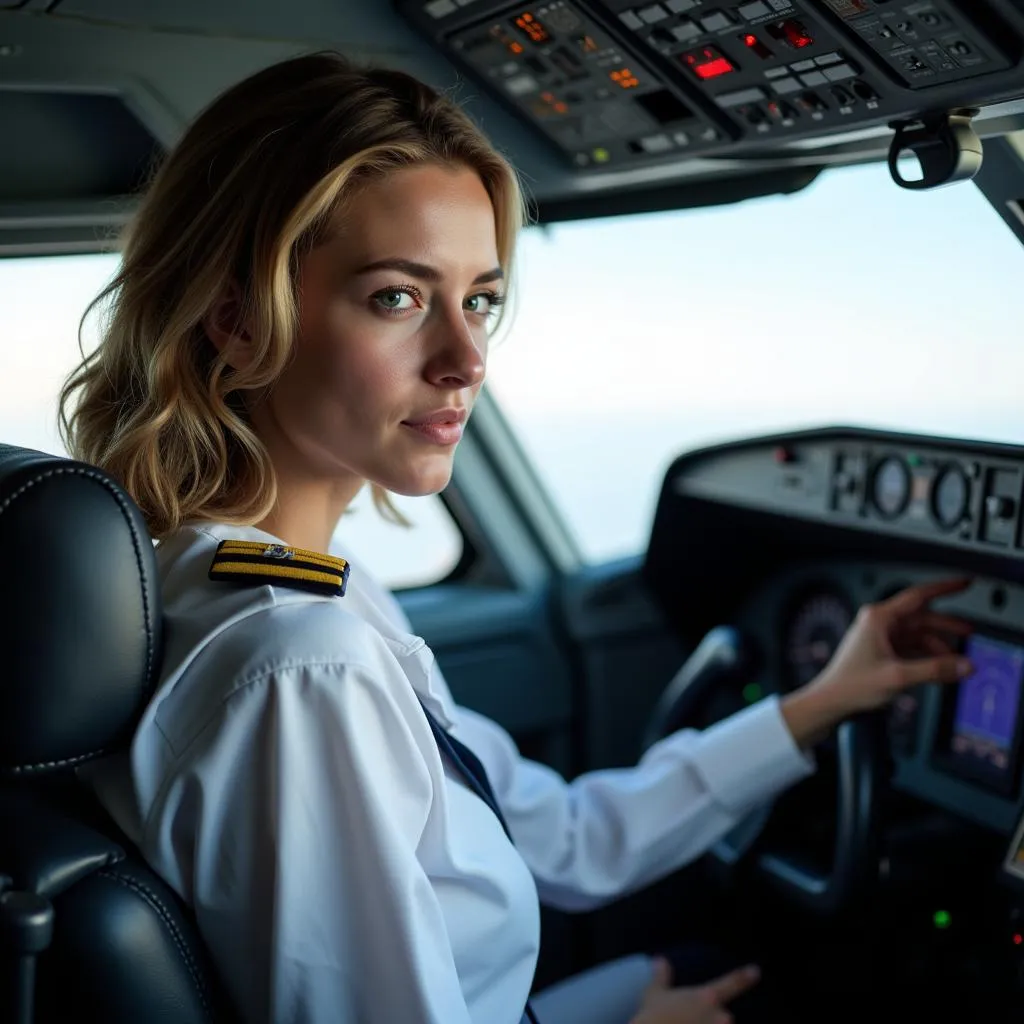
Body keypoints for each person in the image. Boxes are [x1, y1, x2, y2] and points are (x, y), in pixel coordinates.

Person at [60, 52, 974, 1024]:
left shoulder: (243, 581)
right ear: (240, 323)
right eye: (397, 298)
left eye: (481, 299)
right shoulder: (300, 664)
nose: (466, 361)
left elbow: (566, 838)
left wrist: (824, 700)